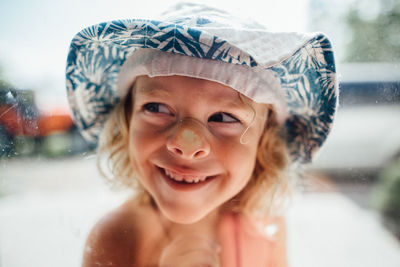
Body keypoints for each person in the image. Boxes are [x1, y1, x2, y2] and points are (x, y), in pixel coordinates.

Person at [66, 2, 337, 266]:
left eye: (223, 117)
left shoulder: (265, 228)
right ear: (127, 122)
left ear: (264, 144)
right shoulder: (116, 237)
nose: (185, 145)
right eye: (157, 108)